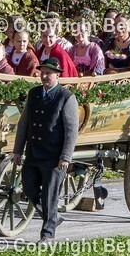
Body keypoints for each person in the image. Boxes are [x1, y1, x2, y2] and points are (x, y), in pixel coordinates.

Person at [12, 57, 80, 243]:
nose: (44, 76)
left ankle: (47, 234)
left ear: (57, 75)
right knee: (29, 188)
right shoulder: (34, 93)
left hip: (54, 156)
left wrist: (65, 156)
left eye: (49, 73)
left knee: (50, 195)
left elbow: (71, 130)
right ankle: (53, 218)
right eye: (42, 72)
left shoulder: (66, 97)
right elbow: (24, 123)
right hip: (33, 152)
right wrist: (18, 150)